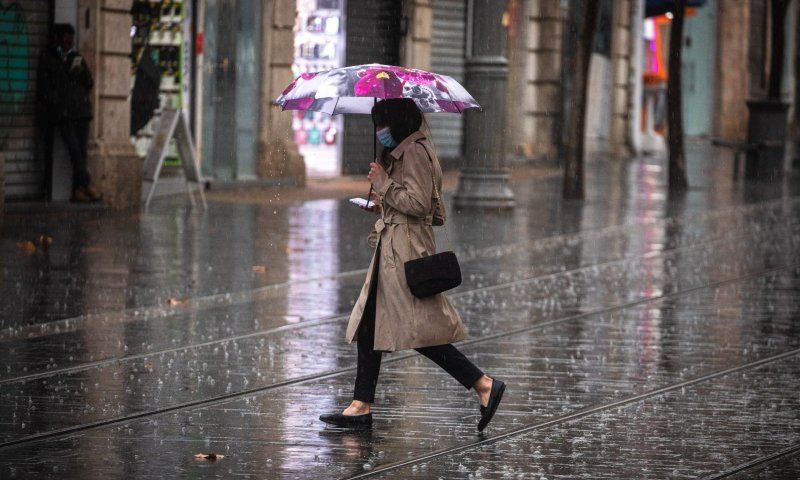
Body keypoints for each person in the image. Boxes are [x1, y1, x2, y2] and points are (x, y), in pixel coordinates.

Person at [319, 98, 505, 432]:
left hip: (405, 253)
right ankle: (360, 405)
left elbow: (419, 204)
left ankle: (483, 384)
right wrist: (382, 205)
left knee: (419, 331)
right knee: (369, 324)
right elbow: (411, 202)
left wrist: (383, 184)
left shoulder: (415, 152)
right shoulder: (405, 152)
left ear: (398, 123)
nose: (380, 131)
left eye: (382, 124)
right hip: (394, 249)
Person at [37, 23, 101, 202]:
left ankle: (78, 190)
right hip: (64, 113)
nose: (69, 44)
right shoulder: (48, 57)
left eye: (71, 40)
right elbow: (45, 86)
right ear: (58, 39)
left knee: (81, 153)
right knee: (74, 151)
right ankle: (86, 184)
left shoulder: (76, 57)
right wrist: (55, 102)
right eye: (66, 40)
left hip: (81, 111)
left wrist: (81, 73)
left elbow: (89, 83)